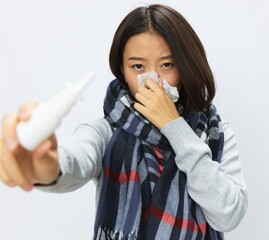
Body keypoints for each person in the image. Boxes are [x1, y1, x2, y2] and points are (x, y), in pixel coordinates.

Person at [0, 4, 247, 240]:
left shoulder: (217, 133)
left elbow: (229, 214)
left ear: (184, 67)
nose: (153, 80)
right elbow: (75, 158)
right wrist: (46, 164)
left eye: (167, 65)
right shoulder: (107, 131)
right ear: (122, 69)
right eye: (138, 66)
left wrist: (174, 127)